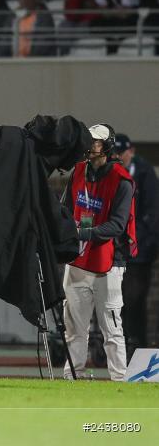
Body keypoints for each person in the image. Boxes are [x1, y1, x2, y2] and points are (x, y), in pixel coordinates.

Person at [62, 124, 137, 381]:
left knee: (112, 330)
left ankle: (120, 380)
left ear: (107, 146)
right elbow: (65, 209)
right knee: (73, 328)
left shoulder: (122, 180)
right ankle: (73, 378)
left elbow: (117, 226)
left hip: (109, 264)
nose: (90, 145)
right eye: (89, 141)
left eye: (95, 142)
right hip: (78, 260)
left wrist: (81, 233)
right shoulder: (78, 172)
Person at [115, 134, 159, 354]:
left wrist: (144, 243)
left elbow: (153, 212)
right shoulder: (114, 173)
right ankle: (124, 348)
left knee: (134, 301)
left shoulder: (144, 173)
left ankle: (137, 347)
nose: (119, 158)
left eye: (121, 153)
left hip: (139, 251)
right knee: (119, 302)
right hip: (119, 250)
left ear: (130, 151)